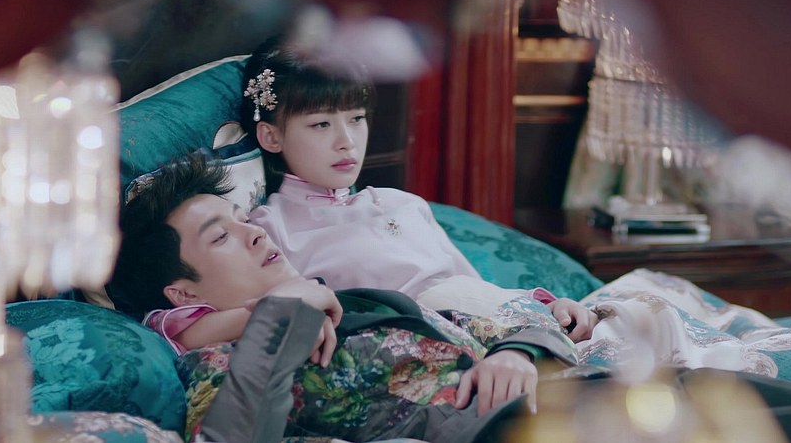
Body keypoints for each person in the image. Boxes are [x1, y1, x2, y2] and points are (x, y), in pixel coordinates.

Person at [106, 153, 581, 443]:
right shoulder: (221, 361)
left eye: (243, 219)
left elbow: (506, 320)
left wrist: (517, 353)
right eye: (220, 236)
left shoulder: (360, 298)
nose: (254, 233)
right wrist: (282, 317)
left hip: (573, 399)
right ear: (182, 294)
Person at [240, 37, 599, 342]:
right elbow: (255, 321)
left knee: (626, 315)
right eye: (321, 124)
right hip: (422, 348)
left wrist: (550, 305)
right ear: (271, 136)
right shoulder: (268, 230)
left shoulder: (403, 204)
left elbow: (474, 289)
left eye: (357, 119)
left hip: (494, 328)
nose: (347, 141)